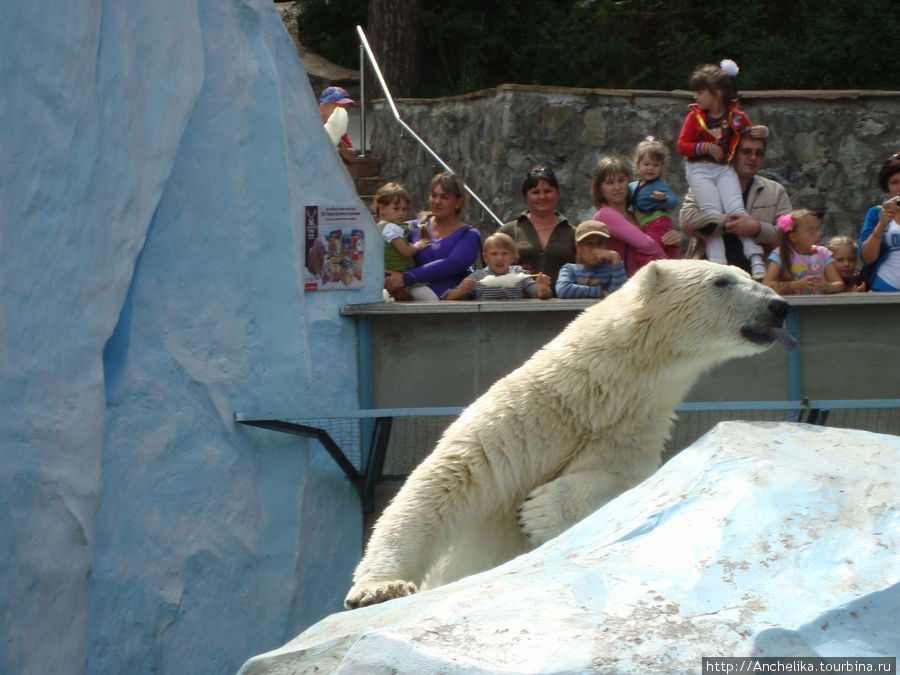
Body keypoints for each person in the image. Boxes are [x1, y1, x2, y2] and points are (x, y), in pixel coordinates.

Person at [676, 60, 770, 278]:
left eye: (700, 92)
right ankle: (718, 264)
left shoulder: (734, 116)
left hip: (724, 168)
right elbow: (682, 146)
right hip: (699, 169)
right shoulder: (694, 117)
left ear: (717, 93)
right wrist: (706, 146)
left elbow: (751, 129)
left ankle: (755, 258)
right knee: (712, 214)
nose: (696, 97)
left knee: (736, 207)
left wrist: (761, 131)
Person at [680, 128, 793, 275]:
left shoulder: (776, 191)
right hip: (711, 278)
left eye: (758, 153)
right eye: (746, 152)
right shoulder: (706, 185)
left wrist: (757, 228)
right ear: (733, 153)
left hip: (759, 279)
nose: (753, 157)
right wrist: (725, 222)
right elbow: (686, 222)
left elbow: (790, 237)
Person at [384, 172, 481, 300]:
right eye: (433, 195)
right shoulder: (410, 228)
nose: (437, 201)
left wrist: (406, 278)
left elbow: (451, 264)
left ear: (458, 202)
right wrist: (391, 283)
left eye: (444, 197)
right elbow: (381, 252)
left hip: (450, 311)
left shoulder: (469, 236)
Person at [590, 156, 676, 278]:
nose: (617, 187)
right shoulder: (604, 215)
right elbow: (646, 245)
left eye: (621, 180)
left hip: (642, 289)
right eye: (610, 182)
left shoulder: (635, 216)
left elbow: (656, 255)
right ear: (600, 189)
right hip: (615, 290)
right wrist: (672, 272)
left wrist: (673, 244)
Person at [499, 167, 576, 292]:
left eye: (548, 191)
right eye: (535, 192)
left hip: (564, 306)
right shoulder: (508, 232)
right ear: (526, 196)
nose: (542, 196)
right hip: (517, 307)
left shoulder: (573, 233)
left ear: (557, 193)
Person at [443, 233, 551, 300]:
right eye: (494, 254)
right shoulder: (476, 277)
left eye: (505, 253)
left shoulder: (519, 273)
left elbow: (538, 294)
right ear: (485, 257)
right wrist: (462, 290)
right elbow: (447, 297)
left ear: (513, 257)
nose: (499, 258)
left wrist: (543, 289)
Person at [763, 209, 845, 295]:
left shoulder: (823, 253)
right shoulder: (781, 254)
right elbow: (766, 285)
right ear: (794, 237)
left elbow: (839, 284)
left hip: (818, 306)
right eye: (811, 230)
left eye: (817, 229)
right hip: (792, 306)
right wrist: (795, 285)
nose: (818, 234)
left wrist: (827, 286)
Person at [374, 182, 433, 301]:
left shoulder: (378, 227)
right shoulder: (392, 228)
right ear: (382, 208)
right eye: (396, 209)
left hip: (386, 274)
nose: (401, 213)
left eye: (404, 209)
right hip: (400, 274)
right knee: (431, 299)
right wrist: (418, 246)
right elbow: (405, 251)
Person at [629, 137, 680, 263]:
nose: (650, 168)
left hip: (659, 224)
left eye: (655, 165)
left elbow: (673, 202)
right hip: (647, 227)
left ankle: (661, 269)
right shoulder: (633, 187)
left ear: (661, 167)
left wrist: (664, 199)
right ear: (637, 165)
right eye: (646, 164)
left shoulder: (660, 186)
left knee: (646, 252)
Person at [858, 152, 900, 292]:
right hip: (884, 289)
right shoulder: (876, 213)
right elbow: (867, 258)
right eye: (894, 182)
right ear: (887, 187)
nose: (899, 187)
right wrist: (882, 224)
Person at [555, 220, 627, 299]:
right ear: (578, 247)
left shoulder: (611, 272)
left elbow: (620, 296)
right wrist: (600, 292)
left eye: (600, 243)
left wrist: (616, 259)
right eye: (589, 243)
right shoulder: (569, 270)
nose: (595, 249)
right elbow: (563, 290)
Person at [318, 86, 358, 163]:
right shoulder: (312, 128)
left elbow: (352, 156)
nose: (343, 115)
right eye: (338, 111)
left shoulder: (340, 132)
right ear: (322, 108)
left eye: (346, 111)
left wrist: (344, 150)